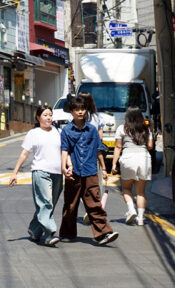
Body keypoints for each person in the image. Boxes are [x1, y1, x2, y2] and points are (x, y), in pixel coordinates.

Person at [59, 93, 118, 245]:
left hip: (91, 171)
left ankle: (103, 234)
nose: (80, 112)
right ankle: (67, 233)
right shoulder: (66, 131)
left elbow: (99, 150)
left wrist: (104, 169)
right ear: (71, 111)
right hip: (74, 172)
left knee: (94, 203)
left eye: (82, 109)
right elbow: (64, 150)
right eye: (76, 109)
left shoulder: (92, 130)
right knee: (71, 204)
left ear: (86, 110)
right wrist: (63, 167)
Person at [9, 106, 62, 246]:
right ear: (38, 118)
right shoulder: (34, 133)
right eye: (45, 115)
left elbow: (64, 151)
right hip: (40, 172)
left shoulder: (57, 131)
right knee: (45, 203)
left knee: (50, 204)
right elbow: (24, 154)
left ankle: (34, 229)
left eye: (50, 115)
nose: (49, 118)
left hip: (57, 173)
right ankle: (50, 233)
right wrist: (15, 173)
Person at [110, 106, 154, 225]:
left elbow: (118, 147)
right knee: (140, 192)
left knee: (126, 188)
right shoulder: (146, 129)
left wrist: (114, 164)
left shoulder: (122, 128)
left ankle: (131, 210)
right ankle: (140, 218)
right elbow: (150, 146)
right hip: (144, 159)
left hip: (128, 159)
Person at [82, 92, 110, 223]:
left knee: (82, 184)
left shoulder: (78, 117)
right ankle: (96, 208)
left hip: (80, 154)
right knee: (96, 183)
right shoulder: (98, 117)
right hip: (94, 154)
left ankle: (90, 209)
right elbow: (100, 138)